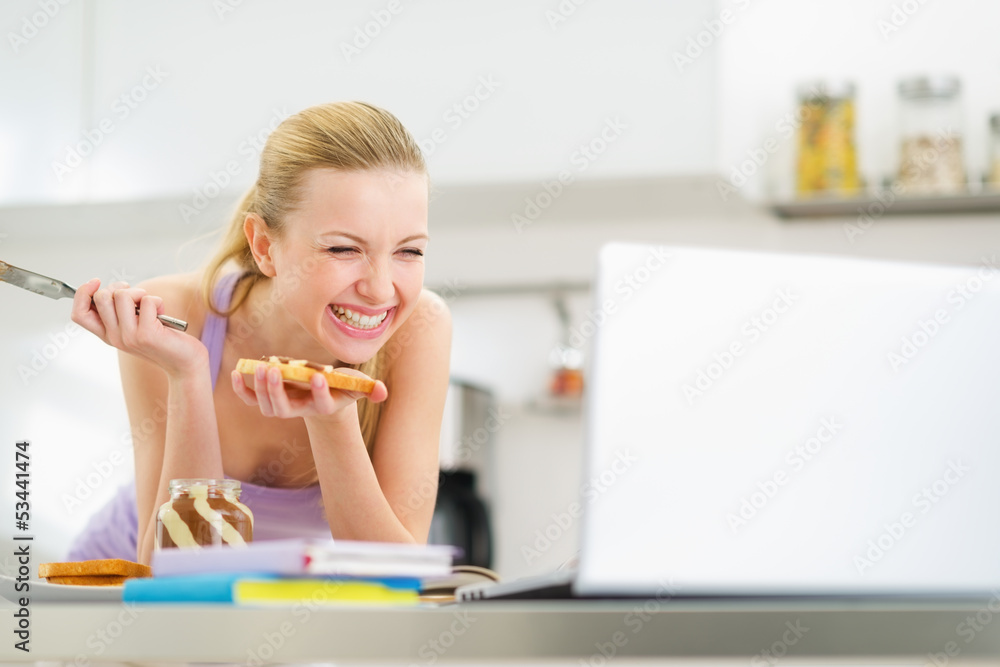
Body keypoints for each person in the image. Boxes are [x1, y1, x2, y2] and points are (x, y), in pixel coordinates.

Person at [68, 101, 451, 565]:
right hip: (114, 606)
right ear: (265, 247)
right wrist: (188, 373)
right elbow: (171, 576)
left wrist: (332, 423)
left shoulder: (420, 328)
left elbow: (398, 574)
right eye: (343, 249)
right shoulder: (171, 317)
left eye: (409, 251)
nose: (380, 288)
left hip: (258, 611)